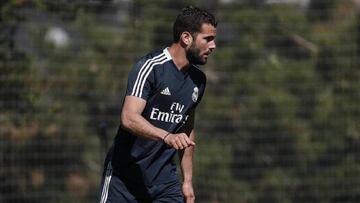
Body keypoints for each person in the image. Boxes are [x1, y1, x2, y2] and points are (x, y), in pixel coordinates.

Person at [99, 5, 217, 203]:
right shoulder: (150, 67)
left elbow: (187, 128)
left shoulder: (198, 80)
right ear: (186, 38)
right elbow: (129, 117)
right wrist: (167, 136)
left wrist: (187, 181)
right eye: (208, 39)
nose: (213, 46)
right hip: (125, 179)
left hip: (165, 182)